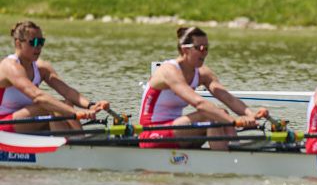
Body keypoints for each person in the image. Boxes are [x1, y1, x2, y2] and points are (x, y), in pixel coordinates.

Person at [137, 26, 269, 149]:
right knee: (210, 115)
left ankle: (233, 150)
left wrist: (251, 115)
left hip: (176, 130)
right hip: (151, 133)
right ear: (185, 49)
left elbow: (229, 99)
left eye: (207, 48)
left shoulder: (202, 73)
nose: (204, 53)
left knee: (221, 113)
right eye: (200, 48)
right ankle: (227, 162)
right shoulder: (169, 71)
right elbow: (199, 103)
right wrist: (234, 121)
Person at [0, 21, 109, 133]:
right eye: (34, 42)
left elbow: (67, 91)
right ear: (18, 44)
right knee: (47, 106)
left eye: (41, 42)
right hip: (3, 124)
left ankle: (80, 141)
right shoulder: (10, 66)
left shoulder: (41, 67)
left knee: (65, 103)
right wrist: (74, 113)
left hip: (23, 120)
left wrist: (90, 105)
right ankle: (70, 145)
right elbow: (38, 97)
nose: (38, 47)